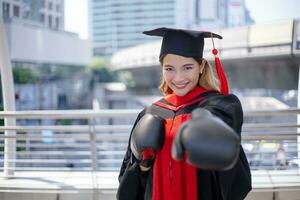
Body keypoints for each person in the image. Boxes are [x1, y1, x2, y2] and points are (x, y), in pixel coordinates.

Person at [117, 27, 252, 200]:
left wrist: (204, 126)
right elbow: (127, 189)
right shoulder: (150, 113)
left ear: (201, 66)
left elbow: (236, 181)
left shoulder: (220, 106)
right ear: (162, 69)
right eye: (169, 69)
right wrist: (143, 163)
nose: (178, 77)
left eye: (187, 67)